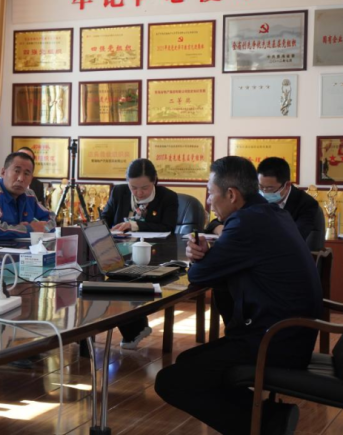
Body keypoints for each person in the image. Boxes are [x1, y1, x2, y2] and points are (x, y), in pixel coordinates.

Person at [155, 156, 322, 435]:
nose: (209, 201)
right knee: (189, 365)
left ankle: (269, 423)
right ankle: (271, 418)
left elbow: (198, 275)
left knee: (171, 380)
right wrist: (209, 256)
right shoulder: (269, 213)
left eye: (211, 193)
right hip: (294, 334)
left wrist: (201, 258)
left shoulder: (245, 223)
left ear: (231, 194)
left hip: (275, 341)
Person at [100, 159, 179, 350]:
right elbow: (104, 218)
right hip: (120, 252)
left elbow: (167, 227)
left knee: (126, 279)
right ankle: (135, 327)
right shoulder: (119, 192)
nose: (139, 193)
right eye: (133, 187)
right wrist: (108, 229)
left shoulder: (168, 197)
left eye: (144, 188)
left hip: (155, 254)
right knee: (106, 279)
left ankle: (135, 328)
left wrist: (134, 225)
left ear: (155, 181)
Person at [206, 157, 321, 241]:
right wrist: (222, 230)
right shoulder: (255, 197)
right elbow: (215, 222)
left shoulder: (306, 203)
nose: (264, 192)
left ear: (286, 186)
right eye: (261, 187)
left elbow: (296, 236)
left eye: (269, 188)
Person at [0, 152, 55, 241]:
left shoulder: (29, 195)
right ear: (3, 172)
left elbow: (50, 219)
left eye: (26, 173)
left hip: (19, 247)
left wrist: (42, 228)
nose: (20, 178)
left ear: (31, 178)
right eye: (16, 171)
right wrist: (28, 229)